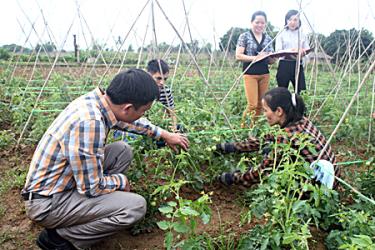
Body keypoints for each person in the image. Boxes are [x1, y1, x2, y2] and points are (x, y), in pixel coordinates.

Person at [21, 69, 189, 250]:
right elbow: (91, 187)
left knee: (121, 151)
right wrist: (121, 181)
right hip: (48, 204)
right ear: (128, 108)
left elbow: (129, 122)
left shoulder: (97, 101)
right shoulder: (89, 123)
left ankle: (99, 208)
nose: (143, 115)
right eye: (144, 111)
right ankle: (61, 238)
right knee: (135, 207)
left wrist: (164, 134)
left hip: (62, 184)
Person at [216, 87, 340, 189]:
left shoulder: (287, 137)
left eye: (265, 110)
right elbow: (267, 138)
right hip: (333, 180)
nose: (264, 115)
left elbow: (262, 172)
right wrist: (233, 147)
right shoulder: (301, 121)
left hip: (318, 189)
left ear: (279, 111)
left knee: (271, 161)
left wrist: (233, 178)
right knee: (269, 149)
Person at [236, 10, 275, 127]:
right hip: (250, 74)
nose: (260, 25)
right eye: (257, 22)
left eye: (262, 23)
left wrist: (274, 58)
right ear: (251, 22)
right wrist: (255, 58)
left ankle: (254, 127)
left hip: (264, 74)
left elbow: (271, 60)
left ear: (265, 24)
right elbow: (238, 56)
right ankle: (243, 128)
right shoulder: (245, 36)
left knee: (261, 104)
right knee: (252, 104)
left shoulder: (268, 38)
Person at [275, 9, 310, 94]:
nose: (292, 22)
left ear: (299, 21)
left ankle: (297, 107)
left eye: (295, 20)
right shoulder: (281, 33)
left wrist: (303, 52)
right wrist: (292, 50)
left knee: (300, 92)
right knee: (282, 92)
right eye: (290, 20)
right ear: (286, 20)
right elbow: (278, 51)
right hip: (284, 65)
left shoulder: (302, 34)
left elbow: (307, 49)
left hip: (298, 65)